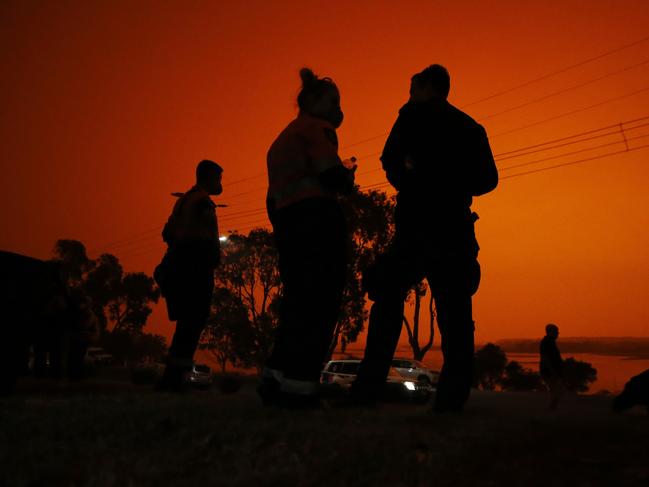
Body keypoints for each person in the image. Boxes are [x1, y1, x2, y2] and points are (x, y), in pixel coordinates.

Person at [350, 64, 498, 412]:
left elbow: (388, 159)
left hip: (418, 227)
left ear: (428, 86)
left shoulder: (412, 117)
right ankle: (451, 399)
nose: (409, 92)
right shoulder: (470, 127)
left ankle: (367, 390)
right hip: (454, 227)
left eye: (413, 85)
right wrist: (455, 184)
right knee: (456, 314)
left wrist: (413, 182)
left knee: (389, 299)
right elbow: (488, 180)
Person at [259, 67, 355, 407]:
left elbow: (272, 198)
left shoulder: (281, 140)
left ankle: (276, 377)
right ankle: (301, 386)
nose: (338, 109)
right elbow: (329, 174)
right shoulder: (318, 129)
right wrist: (347, 178)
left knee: (297, 301)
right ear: (313, 101)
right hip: (317, 219)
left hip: (288, 224)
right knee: (320, 300)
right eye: (334, 101)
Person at [155, 159, 223, 391]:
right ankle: (175, 380)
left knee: (186, 324)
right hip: (195, 269)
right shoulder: (202, 202)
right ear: (210, 177)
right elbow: (205, 239)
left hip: (182, 265)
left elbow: (167, 232)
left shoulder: (184, 200)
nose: (221, 183)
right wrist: (210, 257)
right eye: (219, 178)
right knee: (192, 324)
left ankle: (172, 378)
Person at [540, 323, 565, 409]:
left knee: (557, 391)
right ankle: (551, 409)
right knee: (557, 390)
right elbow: (545, 358)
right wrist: (552, 371)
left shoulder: (550, 342)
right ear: (550, 332)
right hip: (549, 372)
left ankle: (552, 409)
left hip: (552, 371)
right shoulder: (546, 343)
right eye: (556, 331)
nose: (558, 333)